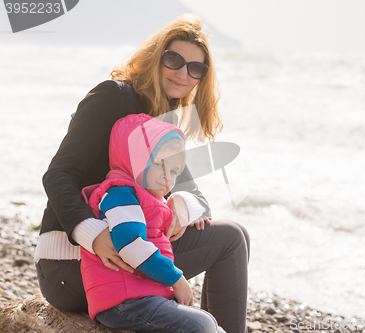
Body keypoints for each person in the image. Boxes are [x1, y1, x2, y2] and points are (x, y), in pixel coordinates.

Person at [34, 14, 249, 333]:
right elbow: (58, 174)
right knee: (231, 238)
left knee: (236, 235)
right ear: (156, 56)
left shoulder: (164, 126)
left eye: (195, 68)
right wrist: (94, 234)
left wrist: (181, 205)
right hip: (72, 264)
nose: (182, 73)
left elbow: (198, 198)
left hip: (132, 254)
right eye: (174, 59)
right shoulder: (112, 96)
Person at [81, 113, 224, 332]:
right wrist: (177, 279)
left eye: (174, 171)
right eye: (159, 164)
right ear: (134, 158)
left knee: (208, 322)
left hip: (143, 294)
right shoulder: (121, 194)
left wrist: (183, 203)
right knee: (201, 324)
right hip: (123, 299)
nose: (167, 177)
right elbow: (131, 245)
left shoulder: (149, 197)